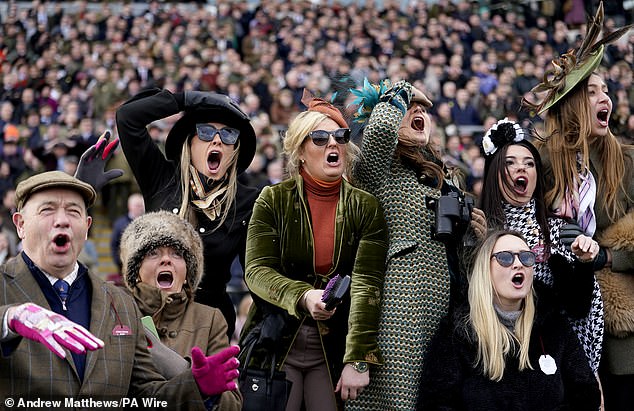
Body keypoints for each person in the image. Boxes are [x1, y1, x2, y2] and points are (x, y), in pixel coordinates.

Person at [0, 171, 240, 408]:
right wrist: (8, 320)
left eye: (73, 211)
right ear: (20, 224)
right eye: (47, 209)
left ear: (87, 226)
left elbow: (145, 396)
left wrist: (195, 387)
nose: (62, 220)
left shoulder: (120, 303)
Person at [241, 90, 388, 410]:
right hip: (276, 343)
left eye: (340, 136)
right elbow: (257, 272)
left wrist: (359, 358)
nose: (332, 143)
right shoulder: (272, 200)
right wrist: (302, 296)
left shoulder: (366, 207)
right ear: (300, 152)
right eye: (319, 137)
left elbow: (367, 286)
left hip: (333, 348)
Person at [523, 4, 634, 409]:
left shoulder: (628, 160)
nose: (604, 97)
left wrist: (606, 255)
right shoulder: (538, 160)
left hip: (621, 325)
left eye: (606, 90)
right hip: (560, 317)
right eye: (592, 91)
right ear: (570, 103)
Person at [346, 79, 480, 410]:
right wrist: (403, 92)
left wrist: (475, 234)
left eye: (422, 110)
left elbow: (456, 254)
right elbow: (378, 133)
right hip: (398, 316)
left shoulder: (447, 177)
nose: (418, 110)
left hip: (447, 315)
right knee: (397, 403)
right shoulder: (378, 169)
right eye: (409, 110)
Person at [116, 88, 259, 337]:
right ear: (189, 142)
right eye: (205, 132)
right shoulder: (161, 178)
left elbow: (256, 273)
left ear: (234, 149)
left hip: (209, 325)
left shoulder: (248, 201)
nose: (217, 140)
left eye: (228, 135)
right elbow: (128, 117)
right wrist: (187, 99)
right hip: (154, 317)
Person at [418, 230, 601, 410]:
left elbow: (586, 394)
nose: (518, 264)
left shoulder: (552, 323)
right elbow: (435, 403)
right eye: (505, 258)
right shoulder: (458, 332)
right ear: (485, 270)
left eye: (526, 257)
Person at [477, 118, 603, 375]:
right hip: (492, 355)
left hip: (549, 353)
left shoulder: (559, 230)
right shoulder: (477, 228)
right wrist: (473, 248)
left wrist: (583, 263)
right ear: (494, 173)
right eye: (510, 163)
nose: (521, 169)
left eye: (530, 163)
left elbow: (578, 308)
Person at [119, 210, 241, 410]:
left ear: (187, 272)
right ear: (136, 272)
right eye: (153, 252)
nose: (166, 260)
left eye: (177, 253)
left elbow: (233, 404)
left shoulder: (210, 319)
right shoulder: (117, 312)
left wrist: (204, 389)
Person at [111, 192, 145, 273]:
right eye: (137, 205)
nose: (140, 208)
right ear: (130, 206)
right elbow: (114, 245)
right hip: (125, 265)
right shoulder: (120, 223)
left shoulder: (149, 222)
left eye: (141, 205)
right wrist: (119, 263)